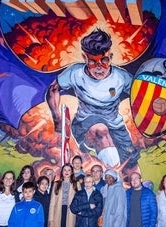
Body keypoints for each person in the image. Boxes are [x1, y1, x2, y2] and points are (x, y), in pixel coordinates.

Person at [46, 28, 139, 175]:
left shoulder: (121, 77)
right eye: (92, 62)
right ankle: (112, 180)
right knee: (101, 130)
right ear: (85, 58)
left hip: (115, 125)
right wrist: (57, 118)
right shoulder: (75, 73)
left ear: (111, 57)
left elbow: (140, 96)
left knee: (130, 163)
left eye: (104, 60)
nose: (99, 67)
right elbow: (53, 89)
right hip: (84, 124)